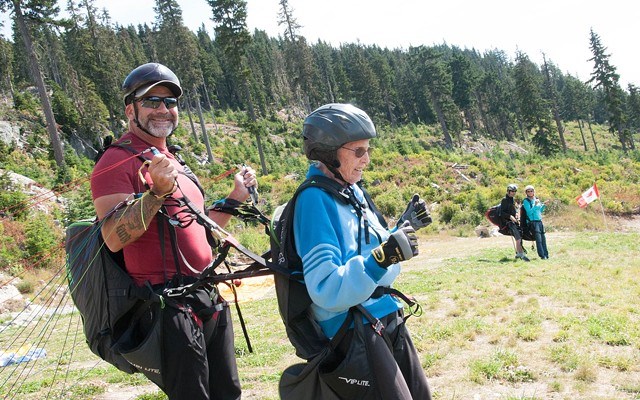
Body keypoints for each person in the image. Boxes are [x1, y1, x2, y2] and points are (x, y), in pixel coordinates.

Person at [90, 62, 256, 400]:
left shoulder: (174, 161)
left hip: (206, 294)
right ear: (130, 110)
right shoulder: (115, 162)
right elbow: (112, 237)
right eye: (151, 101)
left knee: (228, 393)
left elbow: (197, 227)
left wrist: (236, 198)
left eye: (170, 102)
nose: (163, 109)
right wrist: (156, 194)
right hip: (167, 304)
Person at [292, 103, 432, 399]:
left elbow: (379, 260)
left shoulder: (352, 191)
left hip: (385, 315)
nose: (367, 159)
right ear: (328, 153)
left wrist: (402, 230)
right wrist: (381, 259)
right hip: (352, 328)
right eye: (358, 151)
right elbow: (326, 289)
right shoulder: (314, 200)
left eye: (368, 149)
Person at [500, 183, 530, 262]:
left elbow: (513, 210)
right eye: (512, 191)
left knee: (519, 236)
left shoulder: (512, 200)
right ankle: (521, 254)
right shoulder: (504, 200)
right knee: (518, 237)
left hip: (514, 221)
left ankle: (519, 253)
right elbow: (501, 213)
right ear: (508, 191)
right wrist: (510, 216)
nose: (513, 192)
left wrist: (516, 214)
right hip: (508, 222)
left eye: (514, 191)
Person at [522, 185, 549, 259]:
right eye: (528, 191)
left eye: (531, 191)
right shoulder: (526, 201)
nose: (530, 192)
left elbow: (539, 211)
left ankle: (546, 254)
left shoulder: (536, 199)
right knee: (538, 240)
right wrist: (536, 206)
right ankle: (542, 256)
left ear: (534, 191)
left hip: (539, 221)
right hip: (533, 222)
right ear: (526, 192)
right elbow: (529, 212)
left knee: (543, 238)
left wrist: (544, 205)